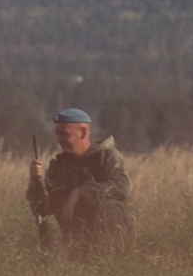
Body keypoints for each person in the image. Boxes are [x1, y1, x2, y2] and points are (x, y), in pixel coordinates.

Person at [27, 109, 136, 254]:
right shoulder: (59, 166)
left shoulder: (107, 157)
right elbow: (42, 208)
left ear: (83, 133)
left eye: (64, 134)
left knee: (109, 205)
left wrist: (80, 192)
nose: (58, 139)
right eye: (57, 134)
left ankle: (115, 262)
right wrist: (35, 180)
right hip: (76, 244)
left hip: (112, 240)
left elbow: (122, 186)